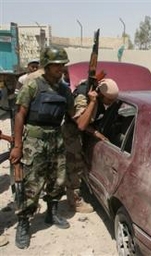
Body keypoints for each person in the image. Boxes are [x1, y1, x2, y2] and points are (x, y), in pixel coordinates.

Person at [9, 46, 75, 249]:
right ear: (46, 65)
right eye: (57, 65)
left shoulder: (64, 89)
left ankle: (52, 212)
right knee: (31, 184)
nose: (61, 68)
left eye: (63, 65)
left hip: (56, 138)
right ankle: (24, 223)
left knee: (57, 179)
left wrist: (90, 99)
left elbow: (72, 113)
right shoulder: (33, 85)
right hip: (34, 141)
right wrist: (18, 146)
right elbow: (20, 115)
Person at [63, 78, 119, 213]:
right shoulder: (83, 98)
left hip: (82, 132)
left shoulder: (99, 96)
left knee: (78, 166)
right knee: (74, 167)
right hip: (72, 133)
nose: (110, 104)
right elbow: (81, 124)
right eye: (109, 100)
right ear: (101, 94)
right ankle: (74, 202)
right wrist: (93, 102)